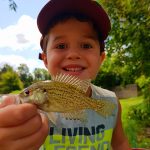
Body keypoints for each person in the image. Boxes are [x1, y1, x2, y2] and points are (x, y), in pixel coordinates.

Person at [0, 0, 131, 149]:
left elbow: (120, 143)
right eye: (61, 46)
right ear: (46, 60)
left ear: (101, 59)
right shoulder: (30, 115)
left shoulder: (111, 103)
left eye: (86, 45)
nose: (73, 54)